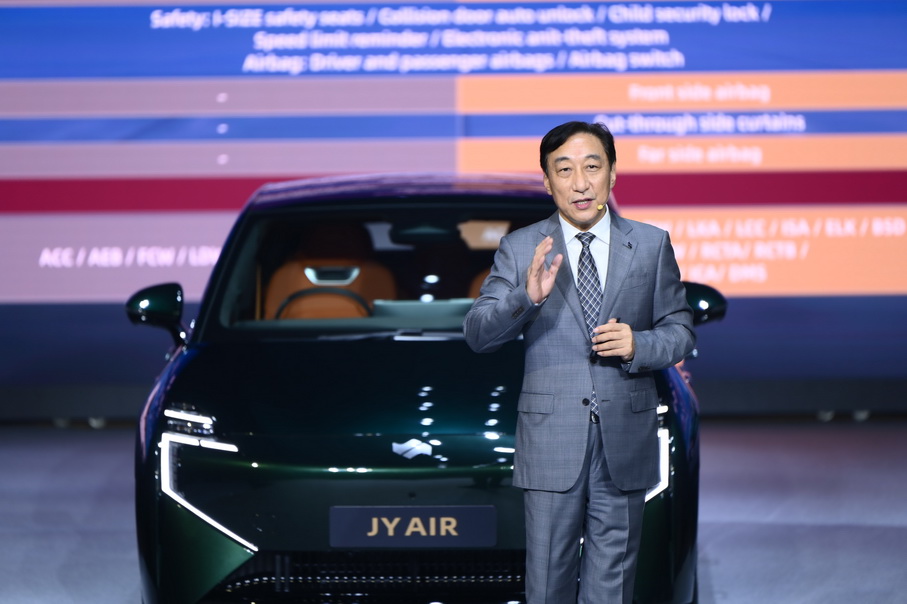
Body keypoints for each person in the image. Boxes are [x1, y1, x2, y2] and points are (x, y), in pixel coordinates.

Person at [463, 121, 695, 604]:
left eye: (593, 167)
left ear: (613, 173)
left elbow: (680, 331)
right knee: (548, 580)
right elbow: (479, 334)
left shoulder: (650, 244)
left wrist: (638, 344)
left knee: (614, 583)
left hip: (624, 436)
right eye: (564, 170)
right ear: (548, 182)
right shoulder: (521, 248)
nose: (581, 183)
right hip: (552, 439)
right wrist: (526, 298)